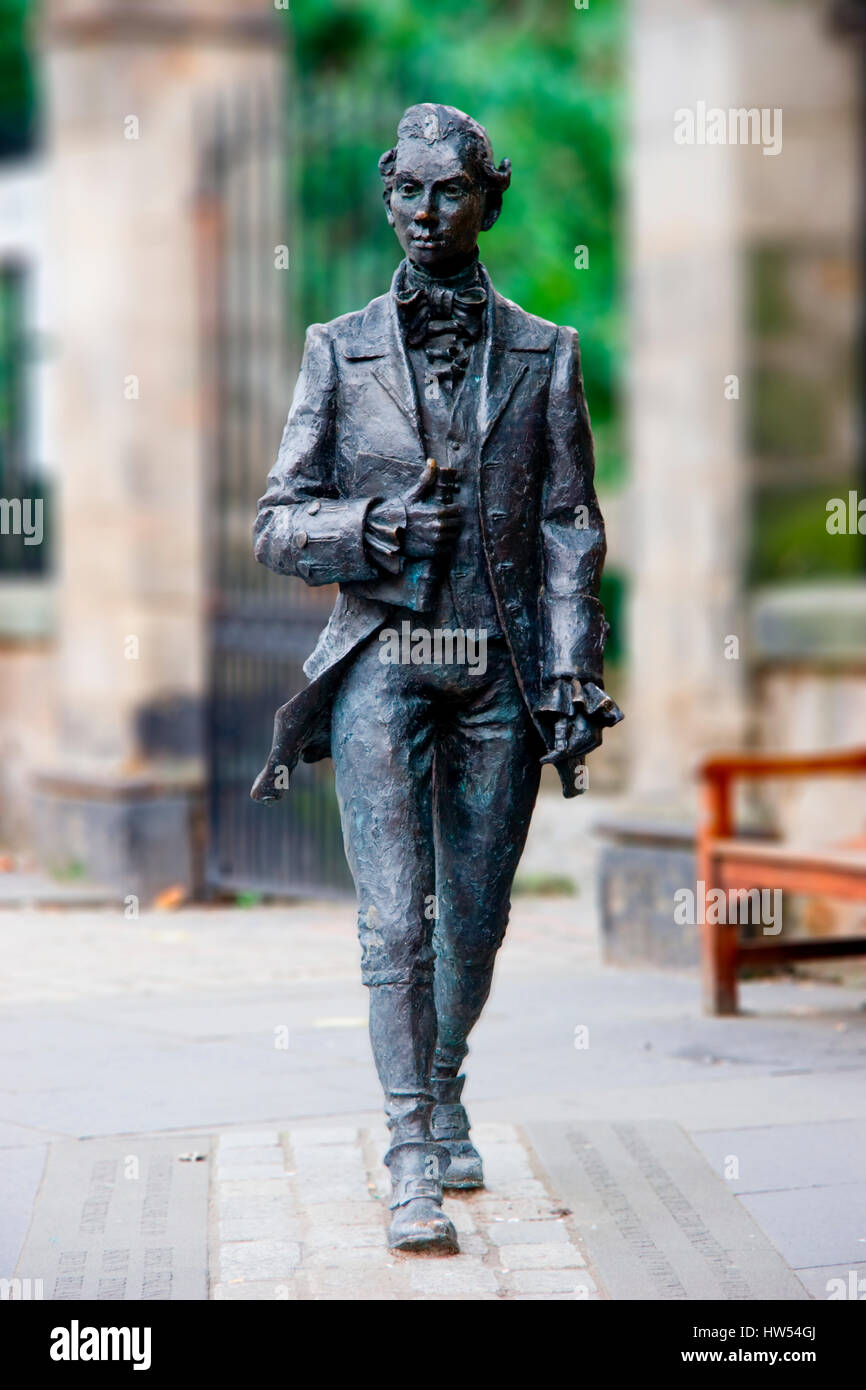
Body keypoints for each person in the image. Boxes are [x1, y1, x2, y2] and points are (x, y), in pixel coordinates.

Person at [252, 103, 622, 1253]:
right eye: (406, 191)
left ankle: (447, 1082)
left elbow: (569, 523)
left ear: (487, 200)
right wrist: (366, 532)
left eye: (448, 193)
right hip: (383, 665)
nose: (424, 213)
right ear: (384, 191)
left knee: (473, 917)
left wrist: (570, 666)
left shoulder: (545, 353)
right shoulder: (336, 347)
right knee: (391, 920)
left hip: (499, 670)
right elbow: (274, 523)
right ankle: (409, 1146)